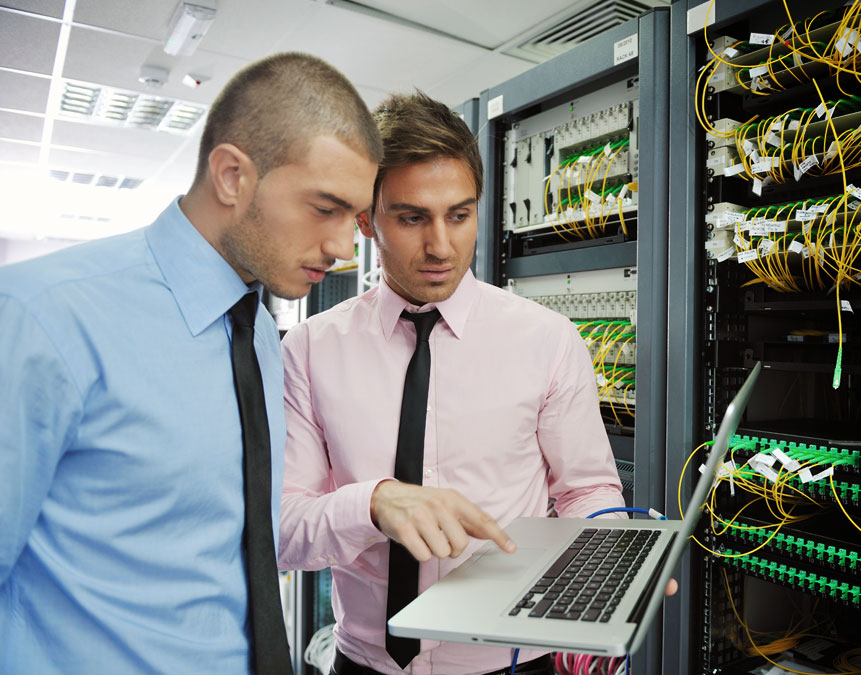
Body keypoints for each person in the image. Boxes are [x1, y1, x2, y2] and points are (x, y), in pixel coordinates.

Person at [0, 52, 380, 674]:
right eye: (324, 208)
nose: (342, 247)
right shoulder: (41, 319)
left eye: (354, 218)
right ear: (232, 175)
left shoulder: (257, 331)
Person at [279, 91, 630, 675]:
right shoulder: (311, 349)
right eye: (412, 217)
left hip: (517, 661)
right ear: (367, 220)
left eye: (459, 215)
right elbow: (285, 531)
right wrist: (371, 504)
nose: (441, 246)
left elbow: (587, 492)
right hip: (366, 662)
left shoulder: (547, 339)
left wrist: (613, 562)